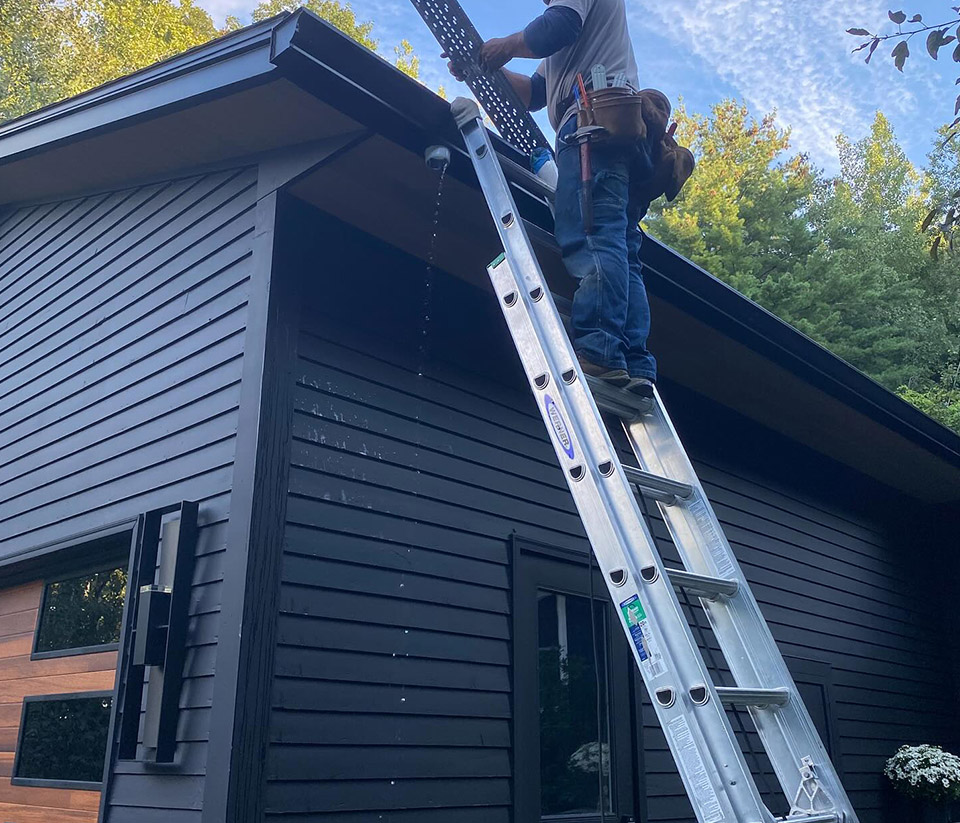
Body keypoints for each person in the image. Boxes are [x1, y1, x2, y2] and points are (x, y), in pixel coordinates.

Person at [445, 0, 657, 401]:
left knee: (593, 236)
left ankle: (601, 349)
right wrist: (481, 64)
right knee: (621, 248)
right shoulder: (578, 36)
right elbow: (535, 93)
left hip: (593, 123)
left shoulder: (567, 15)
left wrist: (505, 44)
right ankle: (633, 360)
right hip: (616, 126)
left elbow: (557, 26)